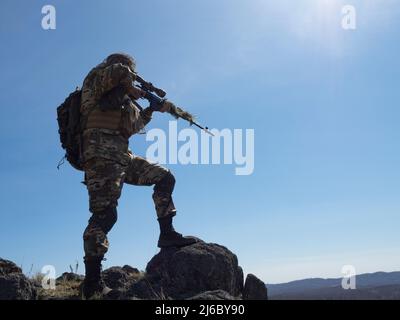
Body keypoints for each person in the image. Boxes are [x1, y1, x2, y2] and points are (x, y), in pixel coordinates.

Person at [79, 53, 197, 298]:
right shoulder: (96, 79)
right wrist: (136, 86)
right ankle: (92, 283)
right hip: (100, 154)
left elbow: (130, 128)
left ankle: (167, 234)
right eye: (131, 70)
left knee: (165, 177)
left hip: (122, 154)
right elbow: (118, 72)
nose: (130, 75)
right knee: (105, 215)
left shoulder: (122, 97)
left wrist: (151, 109)